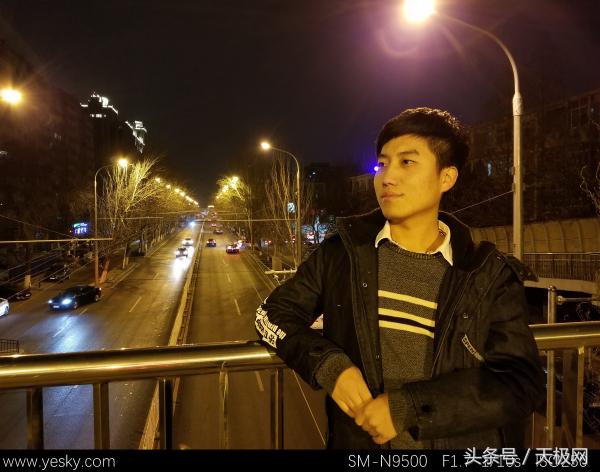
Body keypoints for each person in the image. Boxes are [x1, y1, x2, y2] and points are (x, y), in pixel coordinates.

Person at [255, 107, 544, 449]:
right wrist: (329, 365)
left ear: (446, 178)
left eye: (407, 162)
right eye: (382, 164)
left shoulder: (486, 274)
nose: (386, 177)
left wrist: (410, 407)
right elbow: (270, 316)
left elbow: (521, 383)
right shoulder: (344, 254)